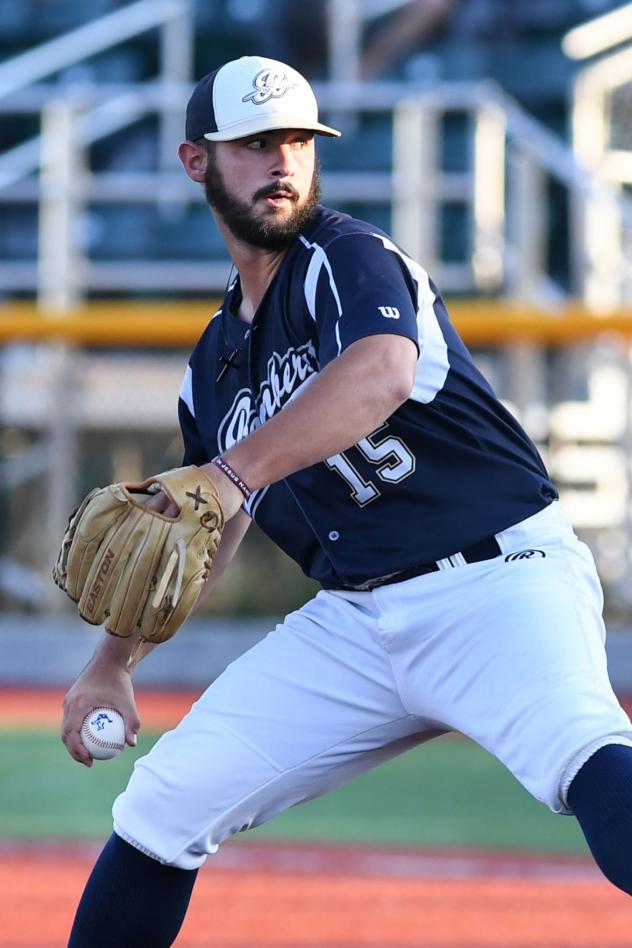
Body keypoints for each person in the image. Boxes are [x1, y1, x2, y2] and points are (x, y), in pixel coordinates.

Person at [63, 55, 632, 946]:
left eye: (296, 139)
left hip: (496, 582)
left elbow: (380, 371)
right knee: (165, 805)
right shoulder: (212, 364)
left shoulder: (348, 258)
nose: (281, 162)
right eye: (253, 145)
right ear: (195, 162)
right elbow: (206, 527)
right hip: (357, 623)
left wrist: (231, 471)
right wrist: (113, 662)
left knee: (583, 755)